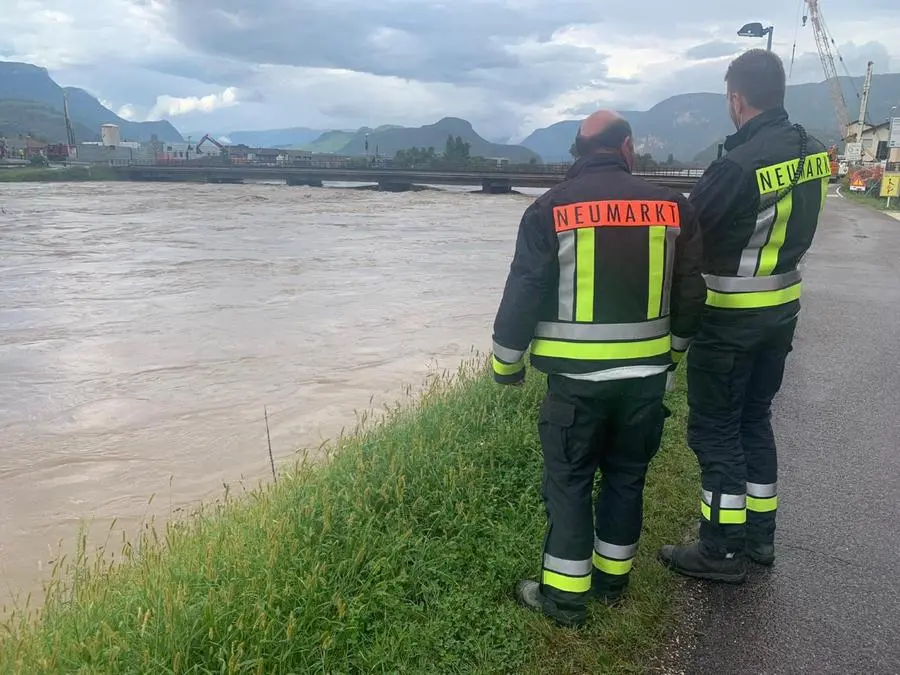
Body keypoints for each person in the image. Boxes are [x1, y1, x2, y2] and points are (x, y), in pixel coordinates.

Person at [490, 110, 706, 627]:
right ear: (626, 147)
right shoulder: (674, 208)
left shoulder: (549, 210)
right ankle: (612, 583)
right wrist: (672, 353)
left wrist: (506, 364)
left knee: (568, 482)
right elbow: (691, 289)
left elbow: (523, 291)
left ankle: (565, 600)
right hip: (645, 381)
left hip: (574, 386)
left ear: (579, 152)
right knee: (627, 478)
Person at [658, 49, 831, 582]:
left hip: (730, 319)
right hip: (781, 314)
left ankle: (720, 550)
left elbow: (686, 236)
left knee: (715, 432)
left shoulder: (737, 166)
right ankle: (760, 539)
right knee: (754, 420)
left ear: (737, 99)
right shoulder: (816, 152)